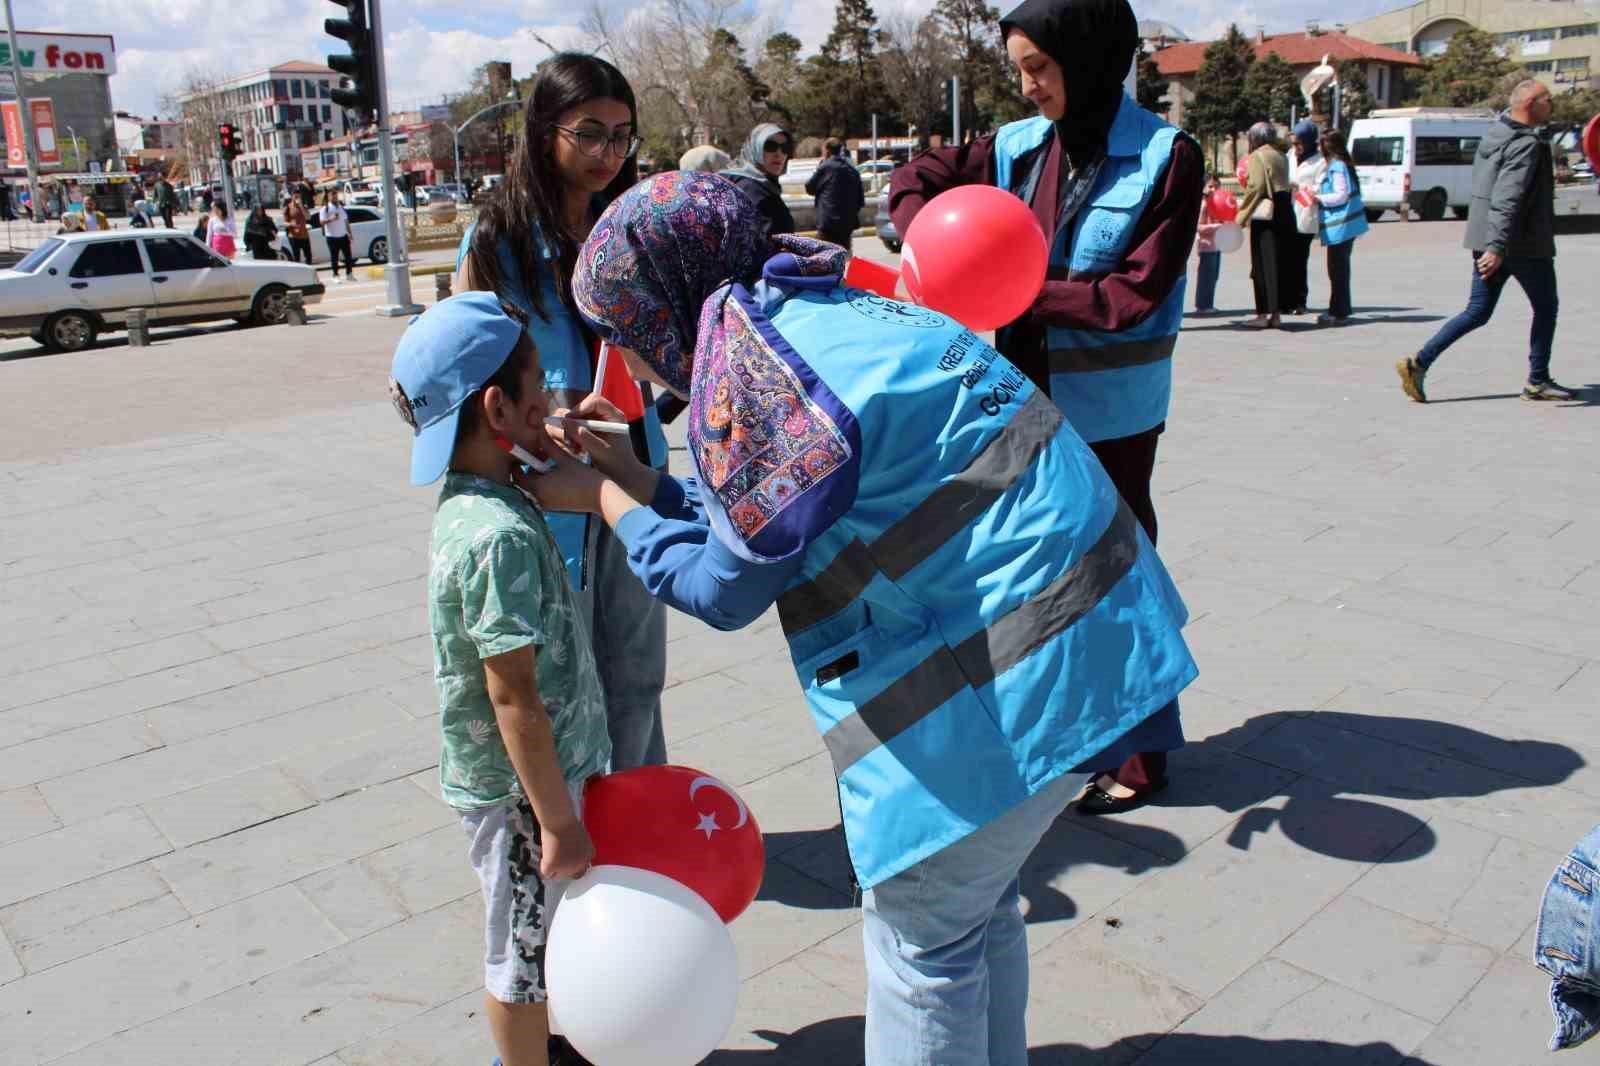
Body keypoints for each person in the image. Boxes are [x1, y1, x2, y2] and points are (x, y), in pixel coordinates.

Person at [545, 170, 1196, 1066]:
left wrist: (605, 504)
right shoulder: (820, 313)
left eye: (624, 332)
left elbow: (725, 590)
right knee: (975, 911)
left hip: (1018, 679)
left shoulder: (758, 386)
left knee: (920, 939)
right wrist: (646, 481)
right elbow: (778, 513)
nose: (630, 361)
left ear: (664, 301)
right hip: (1098, 635)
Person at [889, 0, 1200, 816]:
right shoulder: (1017, 147)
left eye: (1040, 67)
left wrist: (1014, 289)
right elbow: (915, 177)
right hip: (1020, 400)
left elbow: (1133, 293)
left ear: (1091, 58)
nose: (1028, 86)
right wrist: (931, 236)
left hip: (1115, 411)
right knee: (1041, 571)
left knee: (1120, 568)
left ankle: (1140, 755)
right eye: (1020, 68)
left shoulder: (1168, 156)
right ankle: (1066, 737)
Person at [388, 291, 612, 1066]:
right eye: (540, 386)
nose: (552, 398)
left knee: (543, 940)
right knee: (520, 959)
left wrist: (549, 434)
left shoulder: (484, 495)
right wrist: (557, 821)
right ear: (496, 407)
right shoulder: (496, 537)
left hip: (539, 782)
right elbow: (512, 696)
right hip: (522, 797)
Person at [456, 52, 671, 772]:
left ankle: (643, 820)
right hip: (550, 486)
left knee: (639, 670)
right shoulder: (496, 242)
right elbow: (462, 370)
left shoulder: (633, 230)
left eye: (622, 135)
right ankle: (584, 825)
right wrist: (548, 402)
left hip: (634, 465)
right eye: (590, 133)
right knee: (567, 677)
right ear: (544, 131)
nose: (609, 153)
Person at [1397, 80, 1574, 403]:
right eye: (1548, 100)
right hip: (1519, 244)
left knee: (1477, 311)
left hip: (1489, 239)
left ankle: (1419, 363)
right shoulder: (1526, 144)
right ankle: (1537, 381)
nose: (1552, 104)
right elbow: (1508, 196)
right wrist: (1497, 247)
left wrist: (1491, 244)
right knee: (1546, 307)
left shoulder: (1495, 134)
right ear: (1531, 103)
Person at [1236, 121, 1292, 329]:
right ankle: (1276, 314)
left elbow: (1256, 187)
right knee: (1278, 264)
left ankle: (1262, 314)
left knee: (1261, 264)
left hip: (1266, 216)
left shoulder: (1257, 156)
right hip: (1284, 210)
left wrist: (1240, 217)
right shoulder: (1281, 155)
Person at [1313, 130, 1368, 326]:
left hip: (1341, 226)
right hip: (1348, 226)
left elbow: (1340, 195)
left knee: (1337, 269)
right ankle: (1339, 308)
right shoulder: (1345, 165)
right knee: (1340, 268)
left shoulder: (1337, 166)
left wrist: (1317, 198)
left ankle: (1338, 310)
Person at [721, 122, 796, 235]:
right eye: (770, 146)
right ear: (755, 149)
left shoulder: (762, 185)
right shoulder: (753, 191)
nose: (779, 153)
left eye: (785, 148)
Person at [1284, 120, 1320, 316]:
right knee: (1286, 260)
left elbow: (1319, 188)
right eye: (1294, 143)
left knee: (1299, 261)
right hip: (1287, 214)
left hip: (1305, 216)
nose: (1296, 148)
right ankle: (1286, 300)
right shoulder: (1290, 156)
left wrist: (1299, 188)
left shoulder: (1320, 161)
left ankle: (1300, 301)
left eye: (1299, 144)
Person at [807, 136, 866, 248]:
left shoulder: (826, 167)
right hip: (847, 227)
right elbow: (860, 201)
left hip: (828, 225)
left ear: (827, 150)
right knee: (843, 259)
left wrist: (820, 165)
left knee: (823, 259)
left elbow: (809, 188)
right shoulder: (852, 170)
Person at [1194, 172, 1223, 314]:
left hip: (1217, 245)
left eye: (1216, 187)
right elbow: (1199, 227)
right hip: (1206, 246)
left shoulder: (1217, 204)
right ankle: (1203, 305)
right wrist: (1217, 227)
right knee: (1206, 276)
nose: (1213, 190)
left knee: (1213, 276)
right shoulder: (1204, 204)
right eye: (1210, 186)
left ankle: (1208, 303)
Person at [320, 189, 355, 281]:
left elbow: (346, 222)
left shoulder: (341, 207)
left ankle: (349, 274)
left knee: (348, 256)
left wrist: (350, 233)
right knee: (334, 257)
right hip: (332, 237)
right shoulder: (325, 209)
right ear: (328, 197)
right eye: (332, 195)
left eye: (336, 195)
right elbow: (322, 222)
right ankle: (335, 275)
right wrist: (331, 219)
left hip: (343, 236)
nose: (335, 197)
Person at [283, 193, 313, 264]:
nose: (297, 198)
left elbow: (308, 217)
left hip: (304, 235)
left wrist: (301, 206)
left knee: (308, 256)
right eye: (296, 196)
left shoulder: (304, 207)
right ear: (292, 197)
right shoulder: (288, 207)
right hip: (294, 236)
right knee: (297, 257)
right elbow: (284, 223)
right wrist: (291, 224)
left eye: (299, 197)